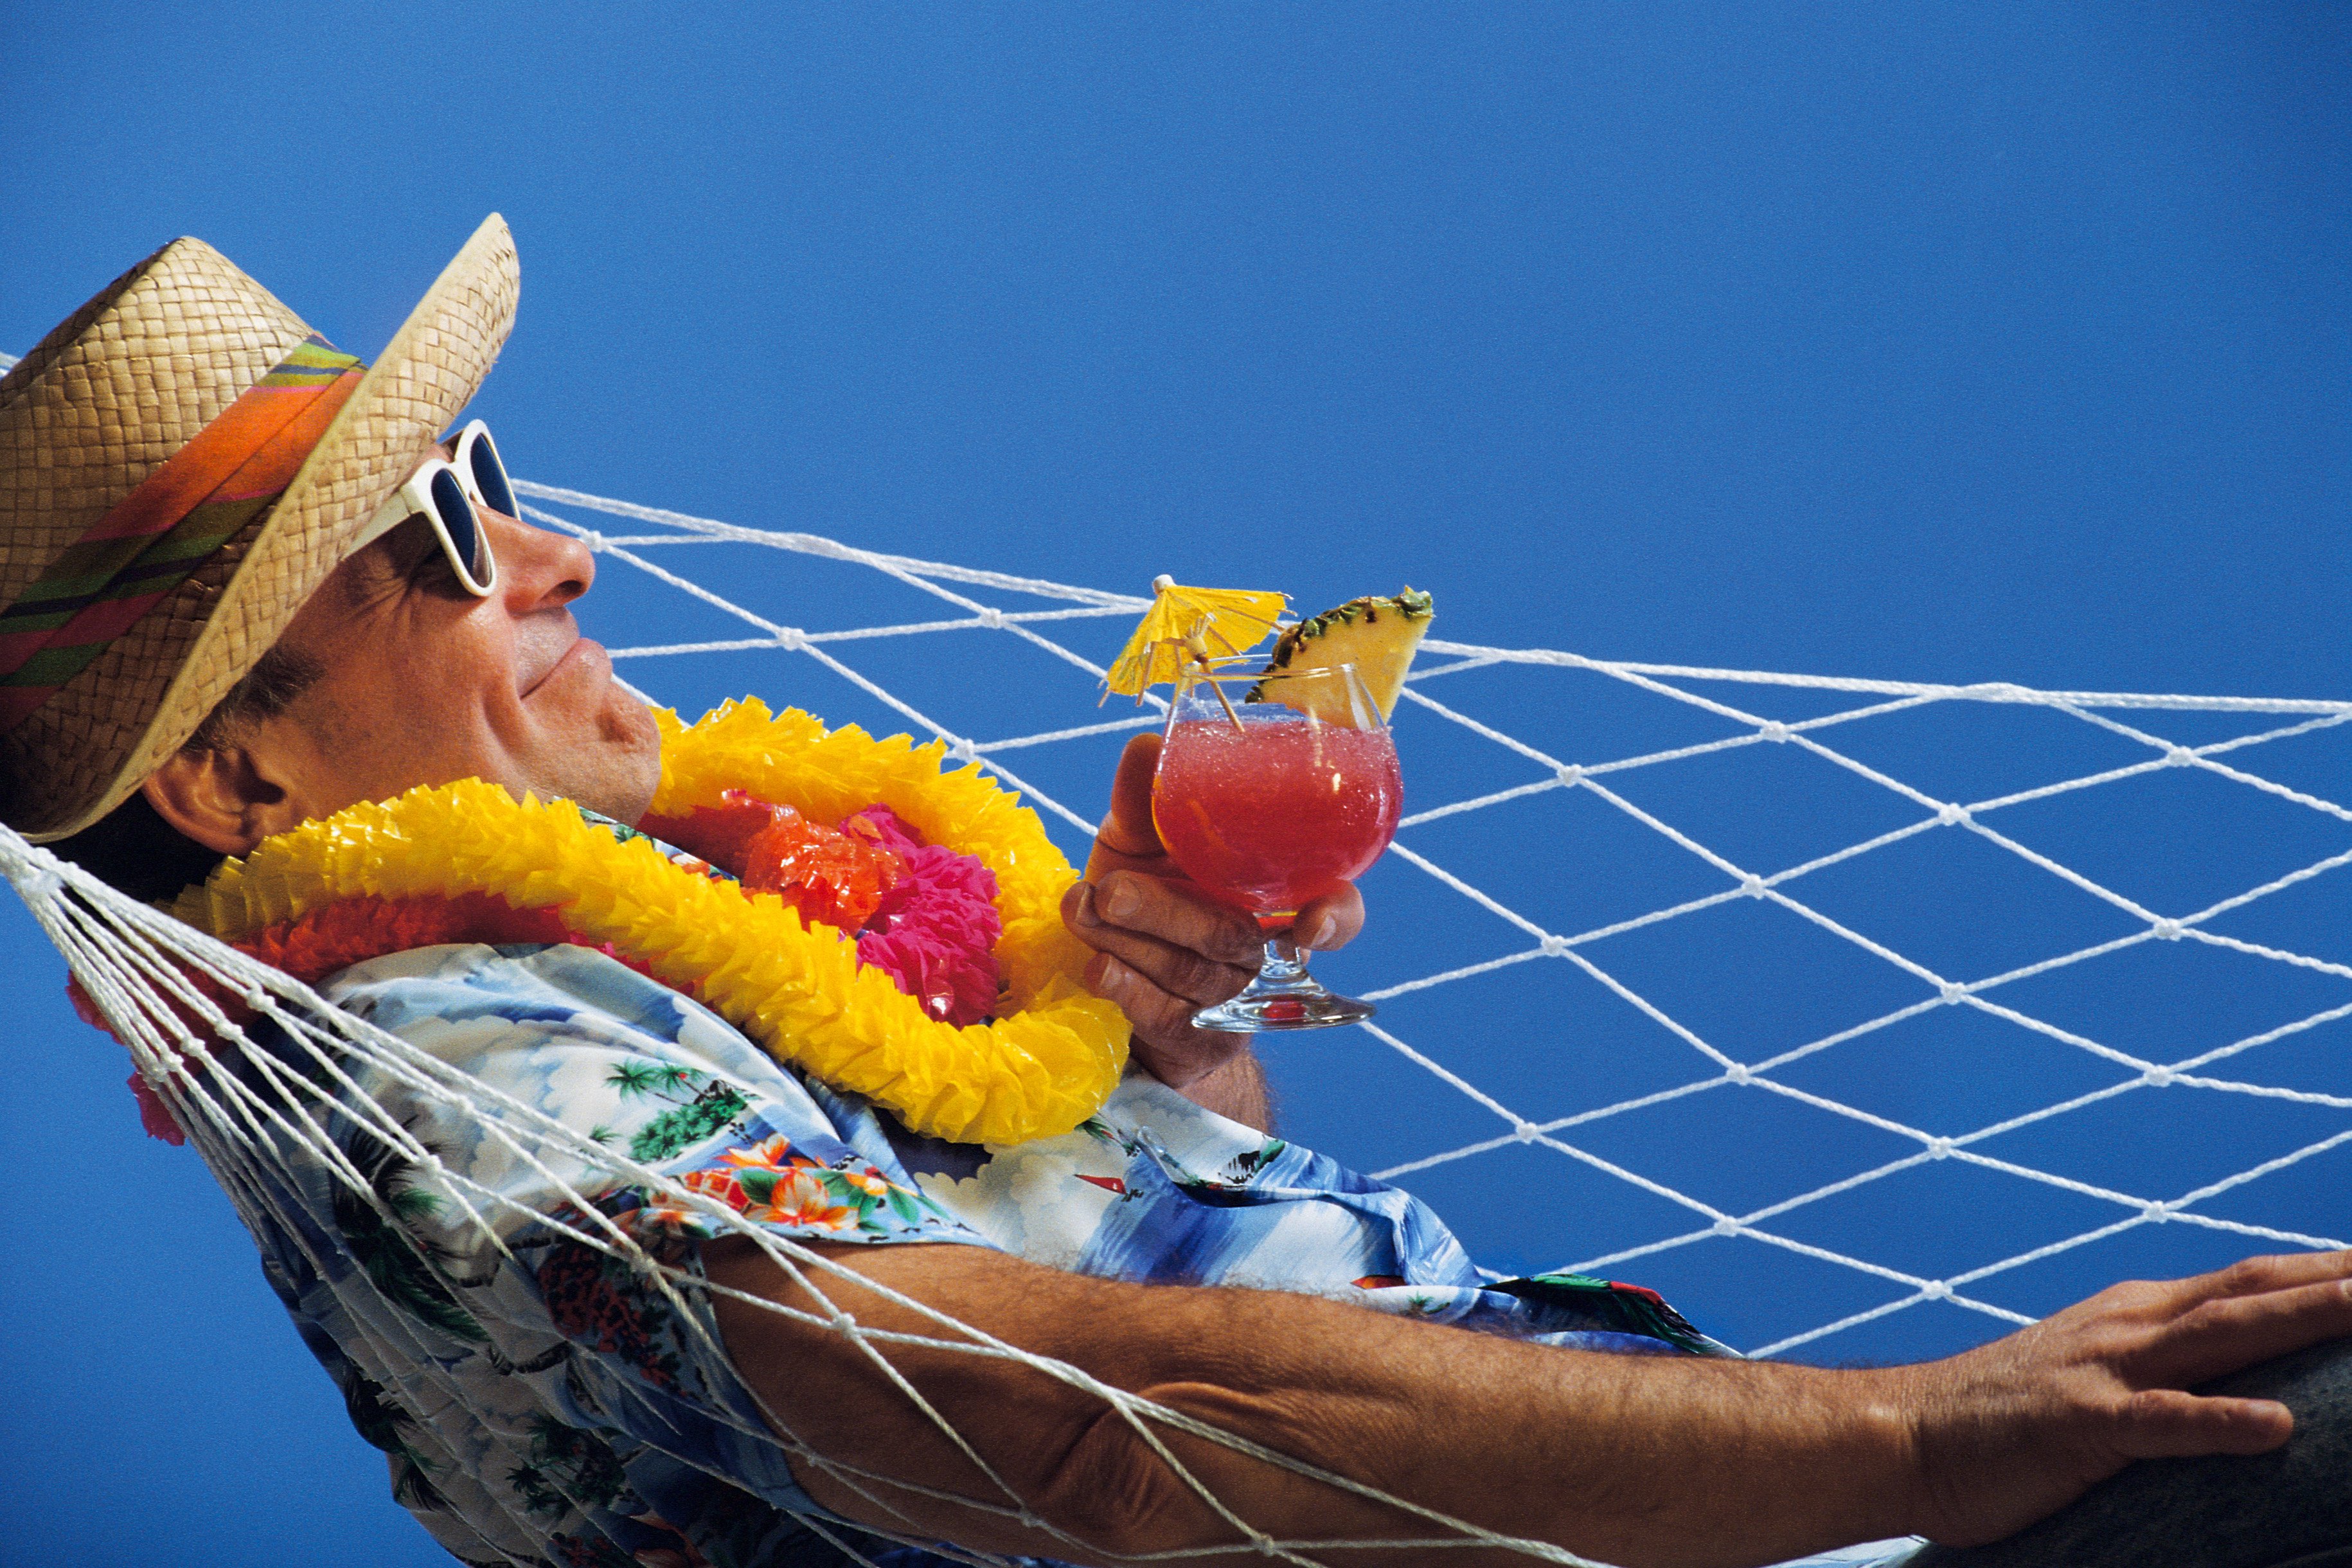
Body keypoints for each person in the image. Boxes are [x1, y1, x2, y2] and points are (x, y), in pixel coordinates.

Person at [3, 218, 2345, 1568]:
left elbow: (1120, 1276)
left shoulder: (648, 981)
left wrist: (1146, 1026)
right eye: (440, 535)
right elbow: (1077, 1431)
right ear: (235, 769)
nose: (557, 552)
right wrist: (1918, 1437)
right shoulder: (440, 1058)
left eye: (490, 472)